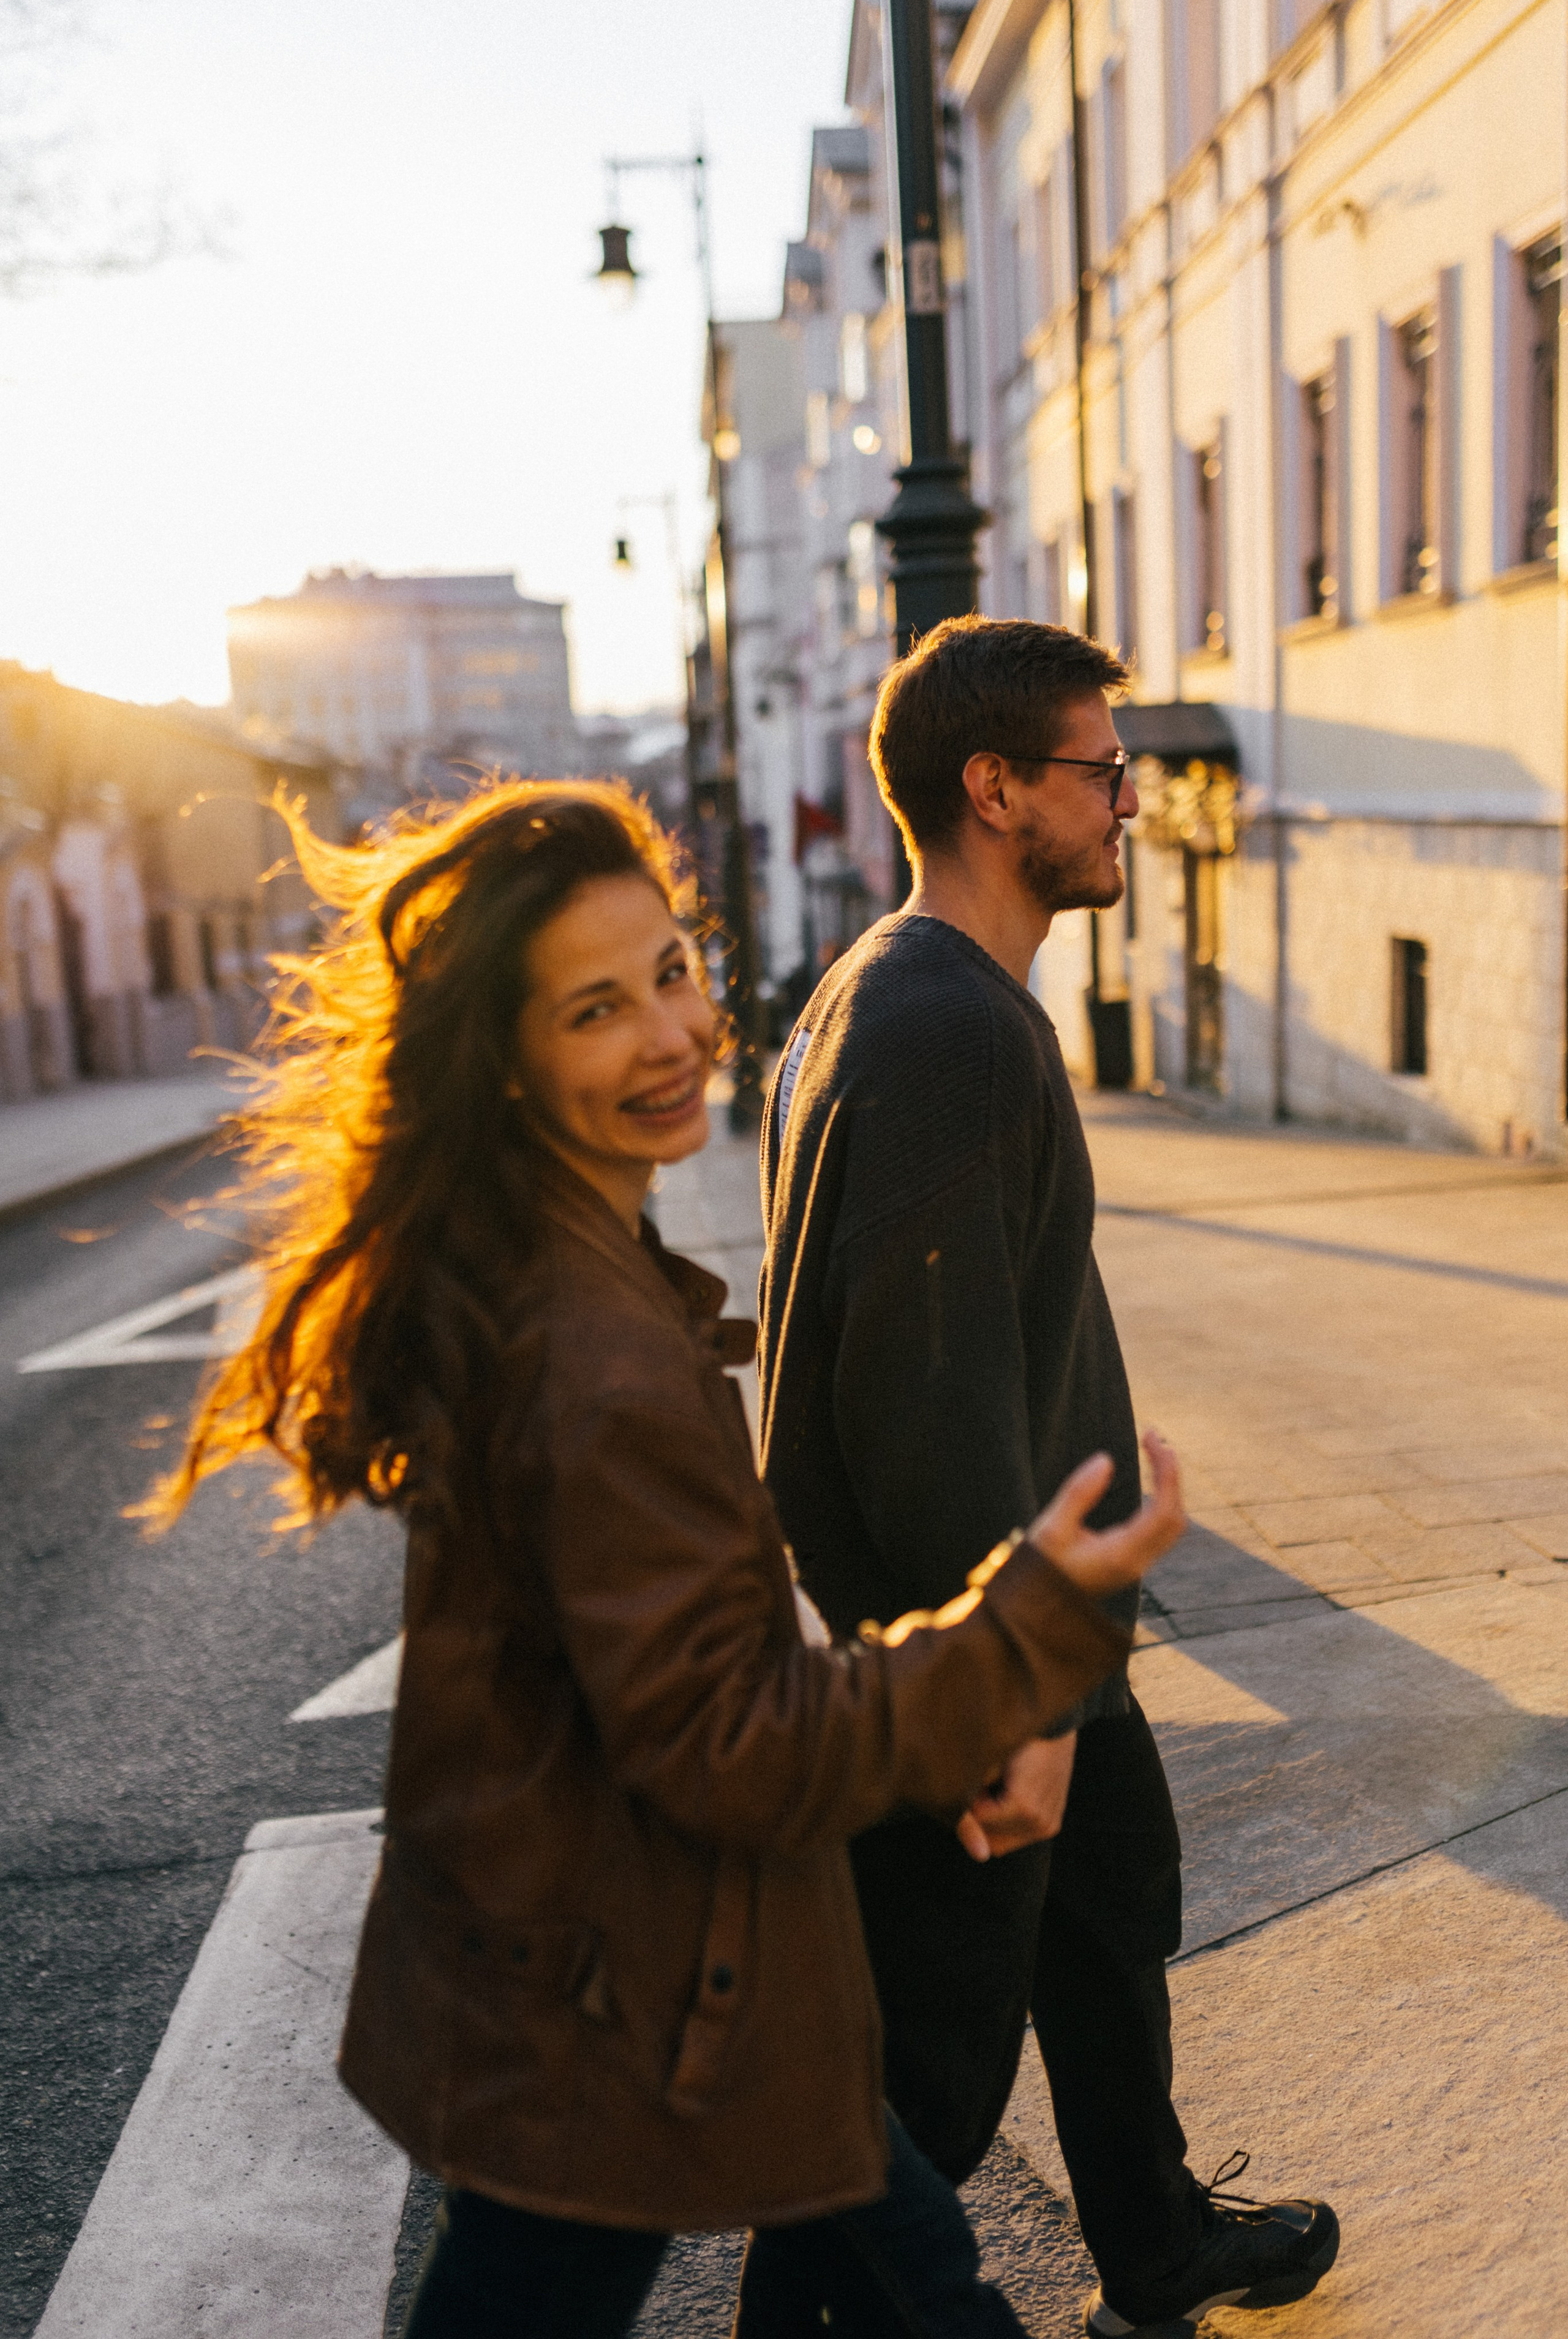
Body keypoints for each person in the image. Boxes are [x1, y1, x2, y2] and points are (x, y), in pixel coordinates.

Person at [149, 778, 1189, 2339]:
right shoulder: (589, 1356)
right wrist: (1020, 1641)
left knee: (904, 2257)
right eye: (595, 1010)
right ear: (504, 1059)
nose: (672, 1035)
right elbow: (737, 1742)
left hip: (636, 1949)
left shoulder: (568, 1262)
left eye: (672, 973)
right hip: (616, 1990)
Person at [755, 618, 1340, 2339]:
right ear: (995, 789)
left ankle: (1151, 2245)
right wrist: (1007, 1698)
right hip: (974, 1644)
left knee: (1107, 1911)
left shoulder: (902, 990)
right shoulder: (944, 1025)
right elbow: (921, 1398)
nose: (1129, 801)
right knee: (925, 2085)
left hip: (1036, 1615)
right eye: (1101, 770)